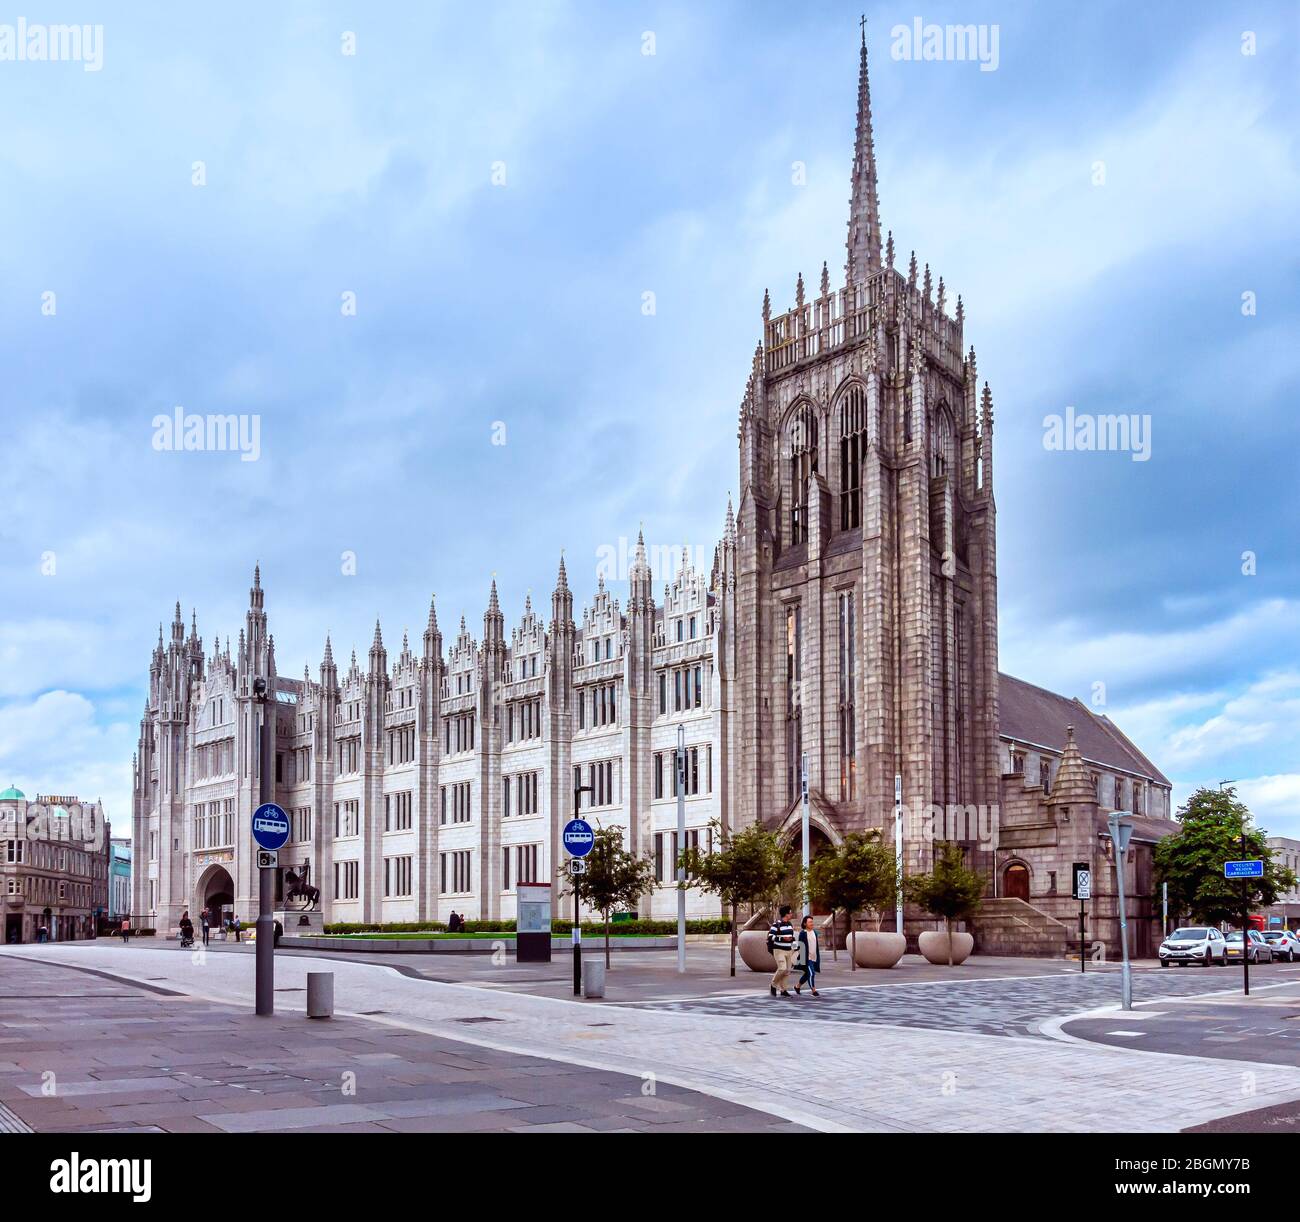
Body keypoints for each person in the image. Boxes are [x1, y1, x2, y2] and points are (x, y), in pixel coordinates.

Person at [768, 904, 797, 997]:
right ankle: (773, 984)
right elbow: (770, 937)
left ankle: (783, 990)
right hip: (779, 950)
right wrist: (782, 939)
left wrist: (795, 949)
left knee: (787, 970)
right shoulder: (776, 924)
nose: (791, 914)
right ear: (786, 914)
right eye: (790, 912)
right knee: (782, 968)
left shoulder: (790, 925)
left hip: (789, 950)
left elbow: (792, 938)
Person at [794, 914, 822, 996]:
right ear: (805, 924)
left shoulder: (815, 932)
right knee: (812, 973)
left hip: (814, 957)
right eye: (810, 922)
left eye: (812, 922)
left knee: (808, 974)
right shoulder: (803, 933)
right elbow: (800, 945)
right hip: (807, 958)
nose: (812, 923)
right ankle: (814, 991)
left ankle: (797, 986)